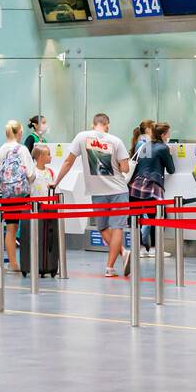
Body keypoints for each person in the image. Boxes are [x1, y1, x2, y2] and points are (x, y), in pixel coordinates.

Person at [53, 113, 131, 278]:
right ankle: (119, 256)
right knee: (118, 228)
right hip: (118, 190)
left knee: (102, 227)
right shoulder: (116, 141)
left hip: (97, 192)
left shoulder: (81, 137)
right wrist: (118, 163)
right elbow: (125, 169)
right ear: (107, 125)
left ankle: (115, 260)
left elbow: (68, 161)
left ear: (92, 124)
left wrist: (56, 181)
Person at [0, 119, 36, 273]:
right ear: (20, 132)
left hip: (7, 194)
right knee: (26, 228)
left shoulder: (0, 151)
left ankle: (13, 264)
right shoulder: (22, 149)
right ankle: (28, 262)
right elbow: (31, 174)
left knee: (10, 228)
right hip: (23, 194)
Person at [129, 122, 173, 257]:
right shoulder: (163, 148)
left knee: (135, 218)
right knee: (158, 216)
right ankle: (154, 247)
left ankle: (139, 248)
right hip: (152, 186)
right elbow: (171, 169)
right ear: (164, 135)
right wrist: (170, 154)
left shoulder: (143, 145)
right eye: (168, 133)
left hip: (135, 186)